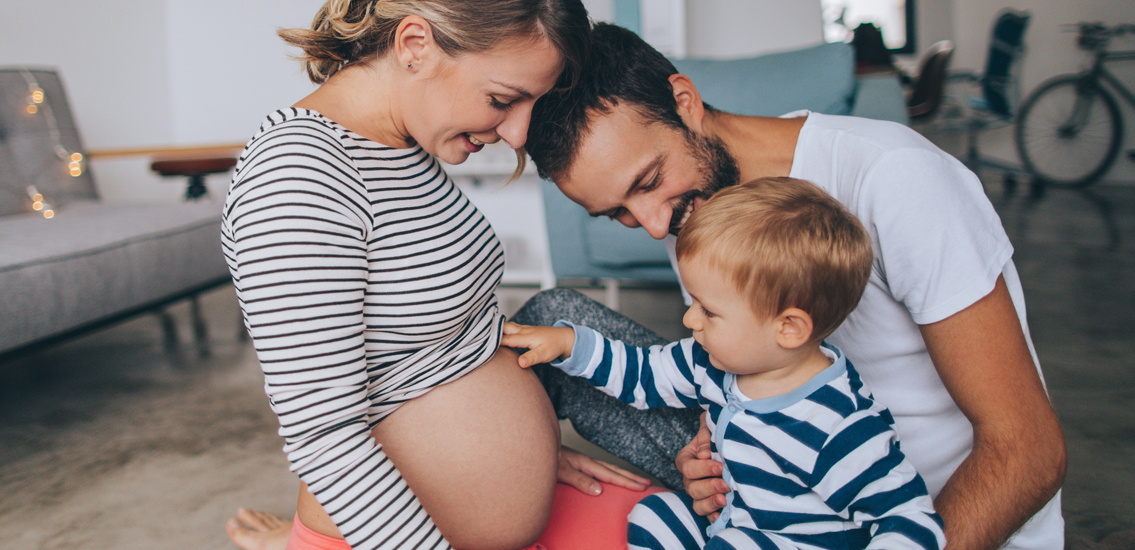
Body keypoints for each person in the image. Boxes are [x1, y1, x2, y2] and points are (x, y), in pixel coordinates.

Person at [513, 23, 1067, 550]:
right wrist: (707, 453)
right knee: (553, 321)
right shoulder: (692, 210)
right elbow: (734, 367)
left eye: (648, 181)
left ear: (684, 100)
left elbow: (1028, 451)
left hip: (917, 514)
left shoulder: (894, 177)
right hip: (776, 497)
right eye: (618, 214)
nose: (654, 224)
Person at [220, 3, 662, 550]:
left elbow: (435, 350)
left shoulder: (402, 140)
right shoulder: (298, 179)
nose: (519, 133)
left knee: (697, 528)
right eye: (502, 99)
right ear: (414, 46)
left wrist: (521, 455)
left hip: (504, 512)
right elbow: (325, 437)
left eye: (531, 102)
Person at [505, 177, 945, 550]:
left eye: (708, 311)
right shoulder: (714, 361)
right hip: (732, 525)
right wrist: (568, 343)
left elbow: (910, 519)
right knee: (656, 516)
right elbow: (642, 373)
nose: (689, 319)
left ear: (788, 328)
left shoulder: (838, 425)